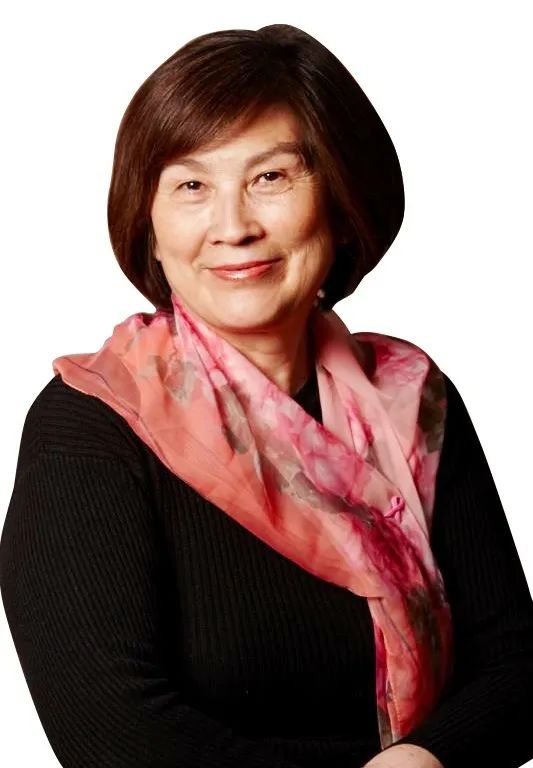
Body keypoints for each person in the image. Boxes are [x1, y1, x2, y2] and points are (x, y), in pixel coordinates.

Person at [1, 23, 533, 768]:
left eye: (271, 177)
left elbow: (515, 670)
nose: (233, 227)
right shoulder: (90, 425)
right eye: (192, 186)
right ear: (149, 223)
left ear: (340, 201)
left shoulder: (413, 402)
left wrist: (425, 759)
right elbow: (115, 738)